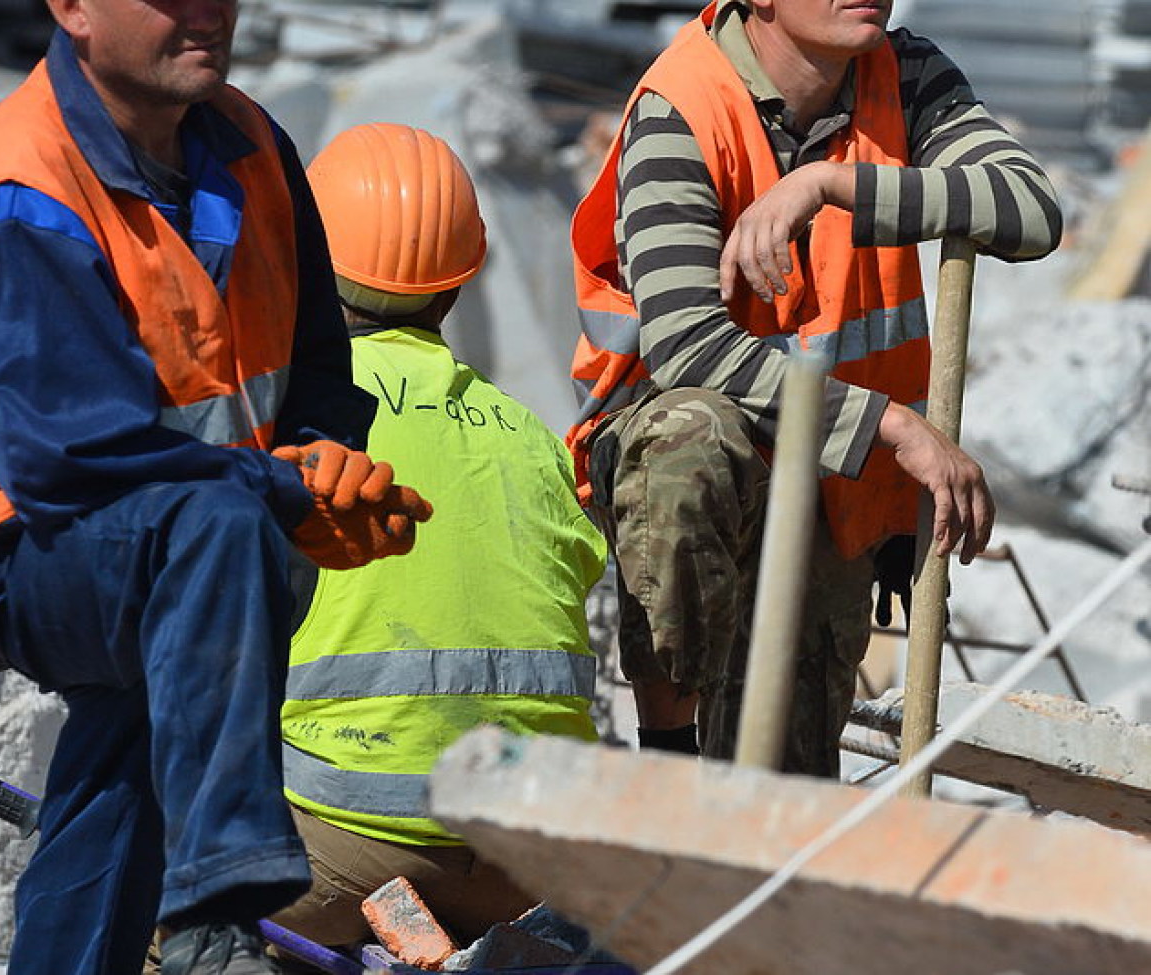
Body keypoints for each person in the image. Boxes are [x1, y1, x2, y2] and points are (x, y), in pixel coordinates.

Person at [0, 1, 432, 973]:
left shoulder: (251, 144)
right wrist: (281, 493)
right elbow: (73, 470)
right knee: (206, 530)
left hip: (193, 552)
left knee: (114, 785)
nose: (206, 10)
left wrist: (325, 460)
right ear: (72, 8)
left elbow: (317, 371)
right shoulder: (19, 192)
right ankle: (215, 903)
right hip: (15, 554)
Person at [567, 0, 1062, 771]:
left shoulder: (905, 78)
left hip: (829, 480)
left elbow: (1030, 207)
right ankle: (665, 761)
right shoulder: (684, 107)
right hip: (696, 466)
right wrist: (895, 427)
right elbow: (687, 344)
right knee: (690, 437)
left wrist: (835, 186)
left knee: (782, 802)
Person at [269, 123, 607, 950]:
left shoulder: (286, 420)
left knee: (162, 902)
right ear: (457, 287)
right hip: (534, 858)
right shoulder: (534, 438)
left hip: (347, 835)